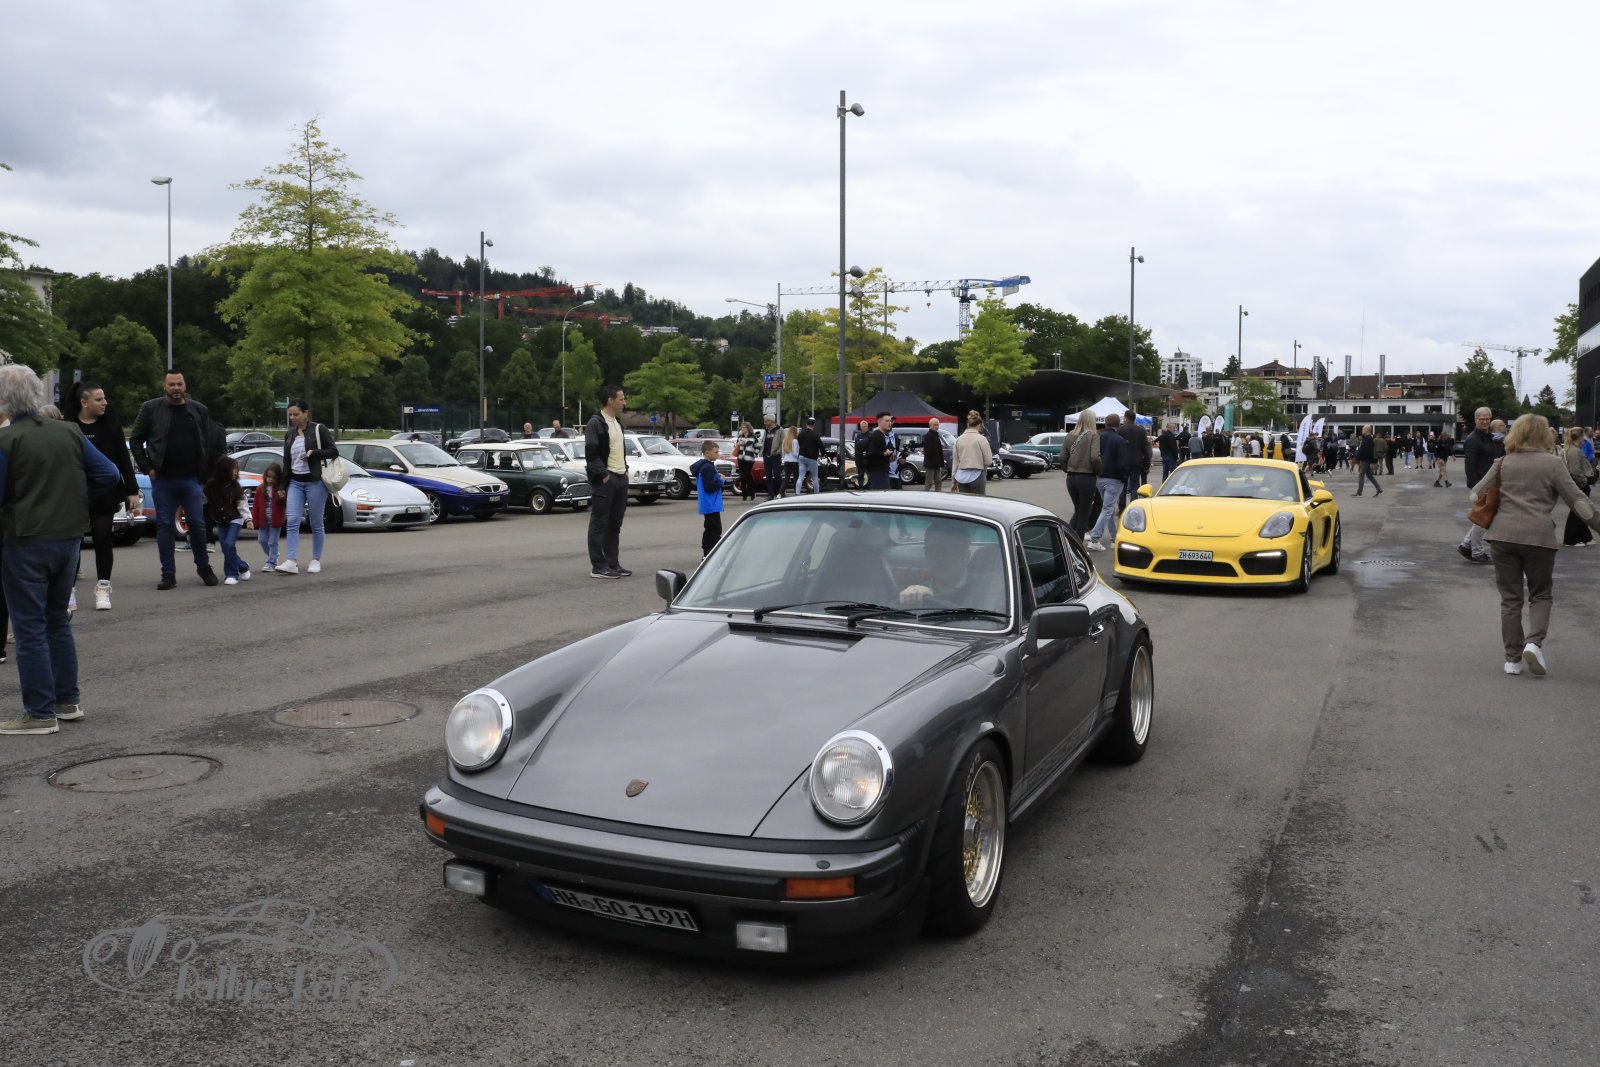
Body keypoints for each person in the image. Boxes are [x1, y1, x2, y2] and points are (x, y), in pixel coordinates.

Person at [0, 364, 122, 736]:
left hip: (25, 539)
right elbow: (110, 474)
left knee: (29, 627)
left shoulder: (7, 440)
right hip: (68, 537)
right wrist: (76, 498)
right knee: (57, 621)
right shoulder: (68, 431)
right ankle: (67, 701)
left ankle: (39, 713)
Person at [1471, 414, 1600, 676]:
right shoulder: (1553, 464)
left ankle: (1512, 660)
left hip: (1502, 536)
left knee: (1510, 598)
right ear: (1544, 435)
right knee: (1540, 594)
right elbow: (1578, 502)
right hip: (1539, 537)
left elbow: (1476, 493)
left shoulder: (1503, 462)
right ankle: (1534, 643)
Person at [128, 369, 227, 589]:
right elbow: (135, 439)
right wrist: (147, 468)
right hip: (163, 479)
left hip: (192, 479)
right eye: (171, 384)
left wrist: (205, 474)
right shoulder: (150, 408)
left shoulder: (199, 410)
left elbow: (209, 443)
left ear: (185, 386)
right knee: (164, 525)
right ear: (164, 387)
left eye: (179, 384)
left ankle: (204, 566)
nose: (176, 388)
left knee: (198, 524)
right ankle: (168, 573)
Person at [62, 380, 139, 611]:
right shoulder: (69, 426)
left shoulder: (110, 425)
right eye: (99, 399)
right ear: (84, 402)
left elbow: (123, 458)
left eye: (104, 398)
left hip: (105, 492)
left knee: (102, 538)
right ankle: (69, 590)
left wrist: (132, 490)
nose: (105, 402)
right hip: (75, 491)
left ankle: (103, 587)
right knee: (74, 541)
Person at [277, 400, 338, 576]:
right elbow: (287, 461)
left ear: (306, 413)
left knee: (316, 522)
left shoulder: (319, 429)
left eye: (296, 414)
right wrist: (282, 485)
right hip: (295, 482)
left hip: (315, 481)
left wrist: (315, 452)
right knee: (292, 520)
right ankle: (291, 561)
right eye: (290, 414)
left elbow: (333, 451)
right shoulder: (290, 434)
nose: (292, 417)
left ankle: (316, 559)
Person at [584, 385, 630, 579]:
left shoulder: (617, 422)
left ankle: (612, 563)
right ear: (610, 400)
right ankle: (598, 566)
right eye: (621, 399)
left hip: (620, 477)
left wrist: (625, 469)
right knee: (599, 523)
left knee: (615, 524)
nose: (624, 402)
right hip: (606, 479)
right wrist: (603, 475)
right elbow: (591, 454)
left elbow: (618, 450)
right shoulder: (596, 423)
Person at [1457, 408, 1501, 564]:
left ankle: (1466, 545)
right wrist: (1476, 487)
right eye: (1482, 419)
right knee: (1483, 518)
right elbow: (1469, 465)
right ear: (1476, 420)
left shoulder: (1488, 437)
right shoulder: (1473, 439)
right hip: (1482, 485)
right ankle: (1476, 551)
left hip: (1490, 484)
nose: (1485, 421)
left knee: (1482, 517)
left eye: (1487, 418)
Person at [204, 455, 253, 585]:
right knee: (225, 548)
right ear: (224, 469)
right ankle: (243, 566)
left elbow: (242, 504)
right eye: (233, 469)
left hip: (235, 519)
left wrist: (248, 519)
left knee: (229, 544)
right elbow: (204, 499)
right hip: (220, 520)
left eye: (237, 469)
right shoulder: (211, 485)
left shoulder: (236, 486)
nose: (236, 472)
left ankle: (232, 574)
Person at [1085, 414, 1129, 551]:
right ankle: (1095, 538)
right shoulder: (1120, 440)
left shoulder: (1098, 437)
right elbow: (1122, 463)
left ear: (1105, 423)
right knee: (1108, 509)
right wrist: (1124, 477)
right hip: (1114, 479)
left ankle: (1114, 538)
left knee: (1107, 509)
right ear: (1118, 424)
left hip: (1100, 477)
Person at [1064, 417, 1101, 537]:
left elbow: (1062, 457)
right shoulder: (1093, 435)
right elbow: (1095, 457)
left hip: (1071, 477)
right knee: (1084, 512)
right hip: (1087, 477)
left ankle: (1066, 537)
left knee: (1078, 509)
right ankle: (1077, 542)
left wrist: (1067, 469)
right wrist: (1099, 471)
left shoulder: (1069, 435)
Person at [690, 440, 725, 557]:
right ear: (707, 453)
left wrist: (716, 477)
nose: (718, 454)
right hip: (711, 504)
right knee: (715, 530)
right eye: (716, 452)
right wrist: (721, 480)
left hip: (707, 503)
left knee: (709, 529)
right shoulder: (707, 467)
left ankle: (706, 553)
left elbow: (708, 481)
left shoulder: (704, 466)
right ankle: (711, 554)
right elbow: (709, 487)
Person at [1562, 428, 1595, 547]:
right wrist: (1584, 483)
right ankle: (1570, 539)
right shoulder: (1574, 451)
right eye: (1583, 437)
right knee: (1578, 512)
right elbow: (1576, 471)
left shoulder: (1572, 450)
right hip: (1579, 484)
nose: (1584, 439)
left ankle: (1585, 537)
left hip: (1577, 483)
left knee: (1581, 511)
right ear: (1580, 437)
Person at [252, 461, 285, 572]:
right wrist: (254, 520)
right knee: (262, 540)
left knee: (272, 542)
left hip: (275, 520)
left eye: (273, 477)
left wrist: (282, 497)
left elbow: (285, 504)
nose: (270, 479)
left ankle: (271, 562)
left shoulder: (279, 489)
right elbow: (256, 506)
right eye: (268, 476)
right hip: (264, 520)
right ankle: (274, 555)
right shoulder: (260, 488)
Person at [951, 410, 993, 495]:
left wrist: (953, 481)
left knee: (965, 501)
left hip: (961, 476)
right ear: (979, 424)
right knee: (978, 501)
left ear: (968, 425)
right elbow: (988, 461)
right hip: (977, 475)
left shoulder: (958, 440)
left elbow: (955, 462)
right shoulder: (981, 439)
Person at [1118, 410, 1151, 505]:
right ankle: (1133, 506)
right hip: (1137, 462)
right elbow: (1145, 448)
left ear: (1126, 417)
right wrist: (1147, 464)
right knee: (1134, 487)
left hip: (1123, 462)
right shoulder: (1141, 430)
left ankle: (1121, 507)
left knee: (1123, 488)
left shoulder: (1120, 430)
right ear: (1134, 418)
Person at [860, 412, 894, 491]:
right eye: (887, 421)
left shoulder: (882, 435)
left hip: (882, 470)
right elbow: (871, 452)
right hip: (878, 471)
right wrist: (885, 453)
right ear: (879, 422)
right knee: (881, 494)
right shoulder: (877, 435)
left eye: (890, 421)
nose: (889, 423)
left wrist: (889, 451)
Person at [760, 414, 785, 499]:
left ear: (771, 421)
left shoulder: (779, 429)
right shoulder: (766, 430)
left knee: (777, 475)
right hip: (766, 456)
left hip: (775, 456)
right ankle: (770, 494)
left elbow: (783, 442)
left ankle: (780, 492)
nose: (765, 423)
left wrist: (778, 451)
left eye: (766, 421)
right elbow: (764, 441)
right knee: (768, 476)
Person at [921, 418, 949, 492]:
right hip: (930, 464)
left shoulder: (936, 435)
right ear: (930, 425)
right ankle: (925, 494)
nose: (936, 426)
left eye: (937, 425)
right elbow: (928, 451)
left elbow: (939, 450)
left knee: (938, 481)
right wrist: (935, 461)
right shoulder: (928, 436)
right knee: (929, 482)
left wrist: (940, 462)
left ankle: (938, 494)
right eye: (935, 425)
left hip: (936, 464)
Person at [796, 417, 822, 494]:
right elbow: (821, 446)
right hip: (812, 458)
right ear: (814, 425)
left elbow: (799, 444)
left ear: (806, 424)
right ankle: (816, 494)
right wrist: (823, 453)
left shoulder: (800, 434)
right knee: (814, 477)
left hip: (802, 457)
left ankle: (797, 493)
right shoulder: (815, 435)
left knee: (800, 477)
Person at [1354, 425, 1382, 496]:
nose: (1362, 430)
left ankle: (1359, 492)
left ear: (1367, 430)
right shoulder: (1367, 438)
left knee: (1361, 475)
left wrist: (1359, 457)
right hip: (1365, 459)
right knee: (1369, 475)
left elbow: (1366, 451)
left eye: (1363, 429)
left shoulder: (1368, 439)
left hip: (1365, 460)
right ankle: (1379, 489)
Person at [735, 421, 759, 501]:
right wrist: (738, 444)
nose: (743, 429)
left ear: (748, 428)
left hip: (749, 459)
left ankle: (752, 492)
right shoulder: (740, 436)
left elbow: (758, 446)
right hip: (741, 458)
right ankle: (744, 495)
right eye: (742, 427)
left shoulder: (753, 436)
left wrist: (754, 454)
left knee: (747, 474)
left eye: (744, 427)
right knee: (742, 476)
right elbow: (736, 446)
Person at [780, 425, 799, 497]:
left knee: (786, 478)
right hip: (794, 461)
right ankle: (796, 492)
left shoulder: (784, 441)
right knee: (796, 477)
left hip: (786, 461)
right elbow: (795, 453)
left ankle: (780, 492)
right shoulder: (795, 441)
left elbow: (783, 453)